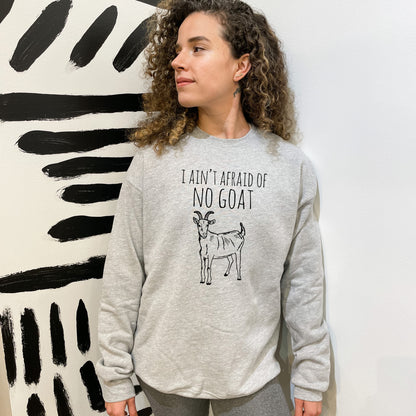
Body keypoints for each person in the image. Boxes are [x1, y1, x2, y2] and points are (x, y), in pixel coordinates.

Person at [96, 0, 330, 415]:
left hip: (251, 375)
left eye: (197, 48)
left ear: (241, 66)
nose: (177, 61)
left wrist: (311, 376)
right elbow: (123, 274)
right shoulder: (153, 163)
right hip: (164, 376)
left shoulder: (288, 167)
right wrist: (114, 377)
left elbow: (304, 282)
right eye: (177, 50)